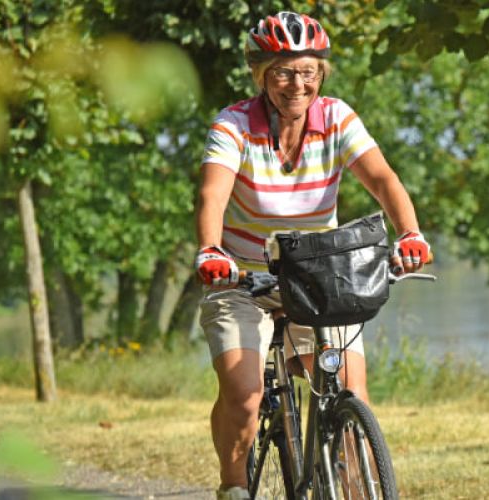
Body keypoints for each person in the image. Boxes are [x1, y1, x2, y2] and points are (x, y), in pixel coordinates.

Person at [193, 12, 430, 500]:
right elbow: (212, 195)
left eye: (308, 71)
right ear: (261, 75)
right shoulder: (233, 125)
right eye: (283, 72)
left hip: (319, 277)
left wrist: (410, 233)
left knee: (348, 397)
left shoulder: (337, 118)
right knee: (244, 395)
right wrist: (211, 250)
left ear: (321, 73)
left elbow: (383, 180)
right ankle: (234, 486)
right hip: (242, 280)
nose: (297, 84)